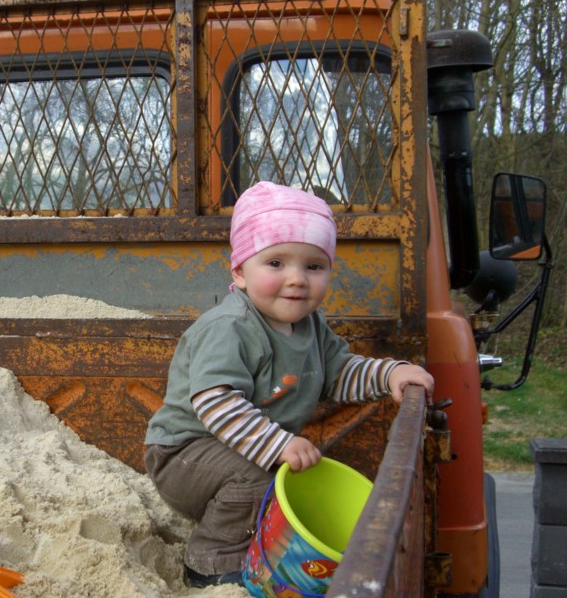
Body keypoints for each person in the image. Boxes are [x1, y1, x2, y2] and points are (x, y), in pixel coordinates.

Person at [143, 181, 434, 588]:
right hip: (182, 453)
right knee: (257, 475)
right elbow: (216, 403)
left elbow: (339, 373)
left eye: (313, 266)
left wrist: (389, 374)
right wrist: (278, 444)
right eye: (276, 263)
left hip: (236, 449)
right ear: (240, 271)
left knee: (278, 474)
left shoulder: (311, 327)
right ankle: (209, 563)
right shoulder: (230, 327)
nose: (297, 279)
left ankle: (250, 536)